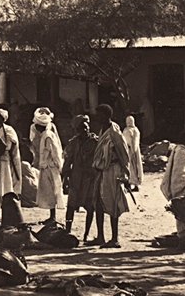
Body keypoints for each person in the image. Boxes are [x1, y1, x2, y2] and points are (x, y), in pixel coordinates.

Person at [90, 104, 131, 248]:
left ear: (106, 115)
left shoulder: (114, 132)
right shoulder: (103, 131)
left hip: (113, 170)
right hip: (102, 171)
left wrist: (125, 174)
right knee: (98, 203)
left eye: (99, 114)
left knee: (113, 203)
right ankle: (100, 236)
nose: (97, 117)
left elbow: (124, 154)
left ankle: (115, 238)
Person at [61, 114, 100, 241]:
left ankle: (86, 234)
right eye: (81, 128)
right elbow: (67, 161)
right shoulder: (73, 143)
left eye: (86, 127)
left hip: (90, 179)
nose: (85, 130)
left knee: (90, 207)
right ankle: (67, 231)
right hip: (76, 179)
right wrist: (65, 177)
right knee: (71, 206)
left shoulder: (95, 142)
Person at [31, 108, 64, 224]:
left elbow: (55, 152)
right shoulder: (44, 135)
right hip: (46, 168)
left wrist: (59, 167)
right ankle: (52, 216)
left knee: (52, 191)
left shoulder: (48, 136)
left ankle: (53, 217)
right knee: (48, 192)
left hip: (51, 168)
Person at [0, 109, 22, 201]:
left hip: (5, 160)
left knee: (5, 182)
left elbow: (8, 146)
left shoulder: (8, 130)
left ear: (4, 119)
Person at [122, 115, 143, 191]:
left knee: (131, 167)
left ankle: (132, 184)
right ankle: (137, 183)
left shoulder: (127, 130)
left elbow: (126, 141)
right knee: (137, 166)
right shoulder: (136, 130)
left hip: (129, 150)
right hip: (136, 150)